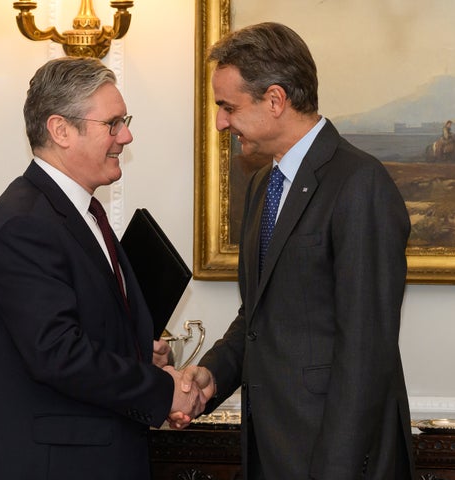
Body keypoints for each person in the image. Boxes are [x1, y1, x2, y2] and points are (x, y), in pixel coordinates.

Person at [172, 22, 415, 479]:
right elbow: (258, 318)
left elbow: (366, 349)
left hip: (333, 458)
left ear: (276, 100)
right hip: (272, 450)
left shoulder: (360, 183)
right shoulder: (265, 185)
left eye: (228, 107)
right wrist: (212, 376)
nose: (221, 122)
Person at [0, 56, 206, 480]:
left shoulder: (79, 213)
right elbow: (57, 354)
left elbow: (70, 326)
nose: (126, 136)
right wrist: (165, 390)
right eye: (113, 123)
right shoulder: (25, 223)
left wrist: (137, 351)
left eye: (124, 121)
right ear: (61, 130)